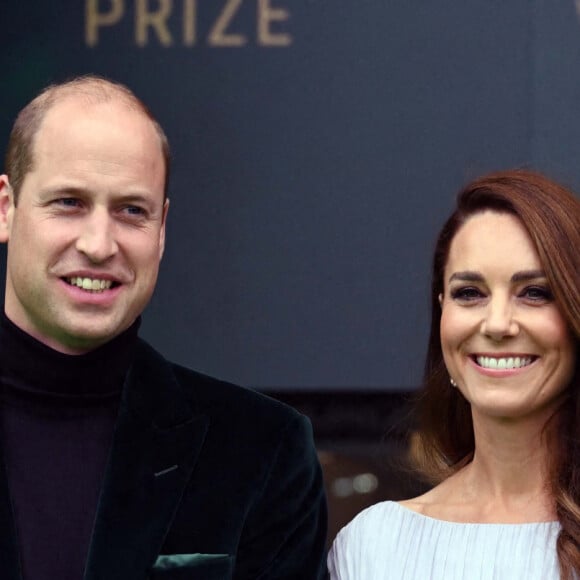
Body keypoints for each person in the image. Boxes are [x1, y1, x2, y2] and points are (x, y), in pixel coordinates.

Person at [0, 75, 327, 580]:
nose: (99, 244)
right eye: (69, 202)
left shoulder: (262, 451)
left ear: (162, 229)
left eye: (132, 211)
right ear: (6, 208)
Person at [328, 169, 580, 579]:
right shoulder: (373, 545)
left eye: (534, 292)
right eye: (470, 294)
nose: (497, 324)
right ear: (442, 309)